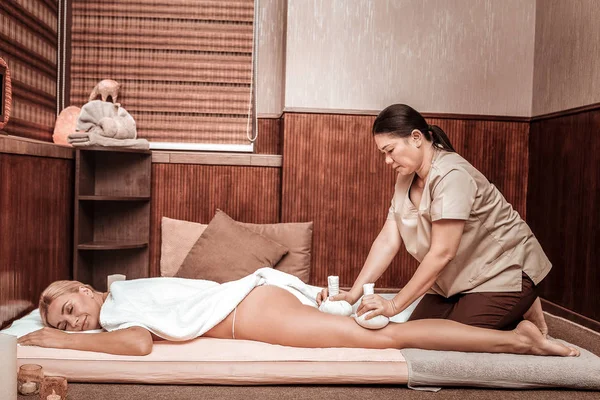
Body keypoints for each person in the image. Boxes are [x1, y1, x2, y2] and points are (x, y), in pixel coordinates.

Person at [317, 104, 550, 335]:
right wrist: (352, 295)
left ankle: (523, 306)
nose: (387, 160)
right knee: (417, 334)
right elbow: (387, 241)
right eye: (383, 153)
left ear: (416, 138)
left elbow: (442, 253)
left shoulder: (452, 175)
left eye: (390, 150)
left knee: (445, 339)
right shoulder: (405, 178)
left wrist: (394, 305)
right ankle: (511, 309)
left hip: (504, 271)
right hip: (458, 278)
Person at [17, 270, 578, 357]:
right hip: (254, 294)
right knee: (375, 328)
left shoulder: (117, 308)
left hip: (249, 309)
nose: (74, 324)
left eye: (70, 310)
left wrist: (53, 344)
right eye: (64, 324)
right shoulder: (126, 287)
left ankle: (523, 344)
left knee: (381, 342)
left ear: (83, 290)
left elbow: (137, 344)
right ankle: (519, 328)